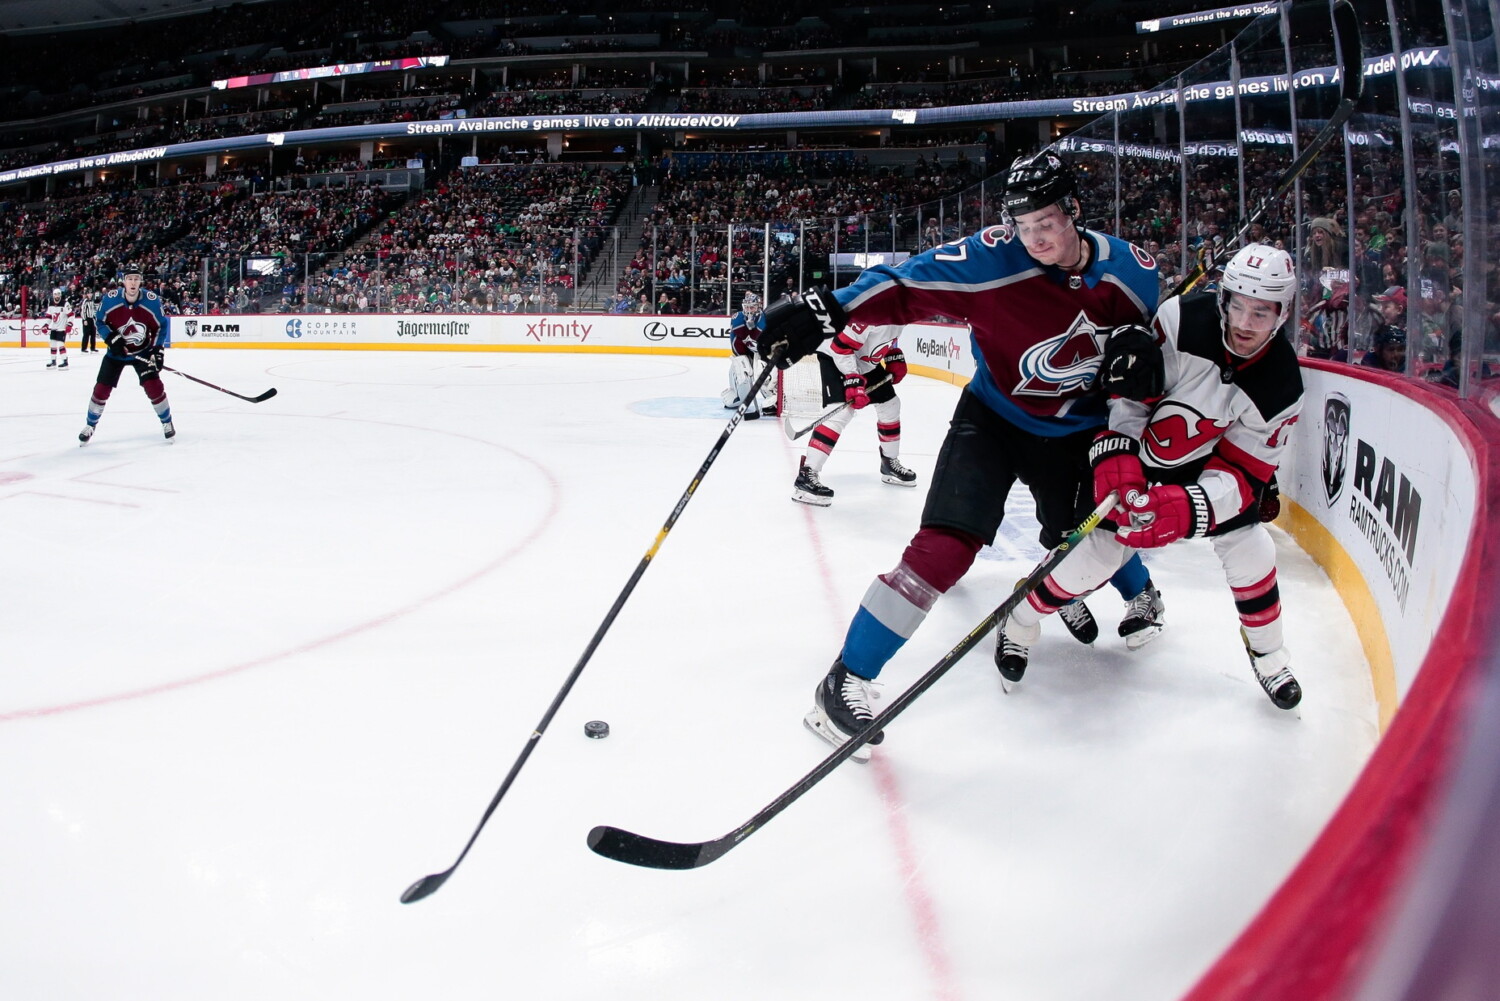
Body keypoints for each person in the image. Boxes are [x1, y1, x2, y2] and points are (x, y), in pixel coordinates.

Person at [757, 150, 1164, 757]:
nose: (1035, 239)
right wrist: (828, 308)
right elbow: (906, 284)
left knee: (1081, 536)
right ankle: (846, 680)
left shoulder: (1134, 274)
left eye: (1047, 223)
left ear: (1074, 211)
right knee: (943, 548)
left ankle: (1141, 592)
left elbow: (1158, 358)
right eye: (1024, 227)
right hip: (993, 419)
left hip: (1077, 431)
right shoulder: (991, 257)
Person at [996, 243, 1304, 710]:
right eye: (1236, 305)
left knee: (1252, 548)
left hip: (1205, 465)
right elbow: (1133, 389)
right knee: (1095, 557)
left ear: (1282, 314)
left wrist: (1190, 506)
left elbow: (1246, 470)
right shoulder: (1182, 318)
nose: (1243, 323)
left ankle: (1269, 654)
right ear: (1223, 298)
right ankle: (1018, 621)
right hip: (1138, 449)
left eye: (1260, 312)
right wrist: (1120, 454)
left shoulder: (1283, 384)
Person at [790, 320, 916, 506]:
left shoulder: (903, 310)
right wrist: (852, 378)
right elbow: (841, 346)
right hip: (836, 355)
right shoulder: (874, 310)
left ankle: (889, 463)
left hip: (864, 361)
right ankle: (806, 476)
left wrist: (892, 354)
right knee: (839, 413)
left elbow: (885, 336)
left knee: (890, 404)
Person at [79, 265, 175, 445]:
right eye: (129, 279)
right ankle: (90, 425)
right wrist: (112, 338)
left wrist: (157, 350)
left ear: (141, 282)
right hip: (116, 354)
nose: (133, 282)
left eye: (136, 279)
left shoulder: (152, 301)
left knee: (154, 387)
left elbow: (161, 326)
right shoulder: (110, 300)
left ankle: (167, 422)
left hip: (143, 351)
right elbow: (99, 322)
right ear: (123, 281)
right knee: (101, 389)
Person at [723, 292, 776, 419]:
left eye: (752, 307)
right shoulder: (738, 319)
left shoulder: (765, 320)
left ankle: (773, 398)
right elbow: (736, 345)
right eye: (747, 307)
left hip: (761, 353)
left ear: (758, 307)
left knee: (763, 373)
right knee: (740, 373)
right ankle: (736, 394)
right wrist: (742, 361)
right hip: (744, 353)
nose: (749, 311)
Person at [44, 287, 76, 369]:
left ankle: (65, 362)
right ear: (53, 295)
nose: (57, 296)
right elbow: (49, 316)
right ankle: (53, 361)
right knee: (52, 344)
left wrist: (69, 325)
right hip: (54, 328)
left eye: (58, 294)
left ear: (60, 295)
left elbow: (71, 315)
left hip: (62, 328)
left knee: (61, 345)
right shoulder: (50, 304)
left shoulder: (65, 304)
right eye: (55, 294)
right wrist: (46, 325)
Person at [79, 288, 99, 353]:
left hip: (92, 319)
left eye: (91, 293)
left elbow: (94, 310)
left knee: (93, 334)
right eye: (89, 293)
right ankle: (83, 348)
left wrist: (95, 318)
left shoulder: (93, 301)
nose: (90, 294)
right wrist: (84, 319)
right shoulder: (85, 301)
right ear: (87, 294)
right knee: (86, 334)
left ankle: (93, 348)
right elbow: (83, 311)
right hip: (86, 319)